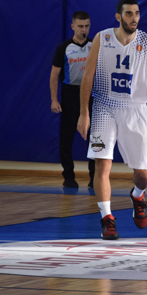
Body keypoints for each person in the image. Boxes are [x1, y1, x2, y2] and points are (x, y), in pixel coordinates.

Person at [77, 0, 147, 240]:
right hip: (104, 106)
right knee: (102, 164)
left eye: (137, 13)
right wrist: (84, 112)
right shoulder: (102, 38)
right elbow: (88, 75)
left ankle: (138, 195)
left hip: (136, 108)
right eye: (129, 14)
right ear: (118, 17)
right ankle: (107, 219)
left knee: (144, 173)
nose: (134, 18)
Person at [50, 11, 96, 188]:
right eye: (80, 26)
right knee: (66, 137)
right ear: (73, 26)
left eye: (87, 26)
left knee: (94, 138)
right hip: (70, 94)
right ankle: (68, 176)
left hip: (92, 94)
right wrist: (54, 99)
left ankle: (94, 178)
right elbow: (54, 75)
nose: (84, 29)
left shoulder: (95, 46)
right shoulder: (63, 48)